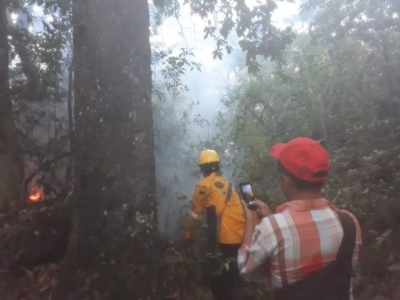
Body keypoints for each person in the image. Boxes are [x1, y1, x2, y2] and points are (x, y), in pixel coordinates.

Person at [237, 137, 363, 300]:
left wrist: (251, 222)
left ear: (286, 180)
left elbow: (247, 269)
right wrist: (271, 219)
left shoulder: (272, 229)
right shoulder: (349, 222)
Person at [186, 149, 245, 300]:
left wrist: (187, 235)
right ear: (218, 167)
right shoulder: (227, 183)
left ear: (202, 169)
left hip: (223, 239)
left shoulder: (204, 185)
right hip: (240, 237)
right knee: (230, 277)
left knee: (218, 280)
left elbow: (195, 213)